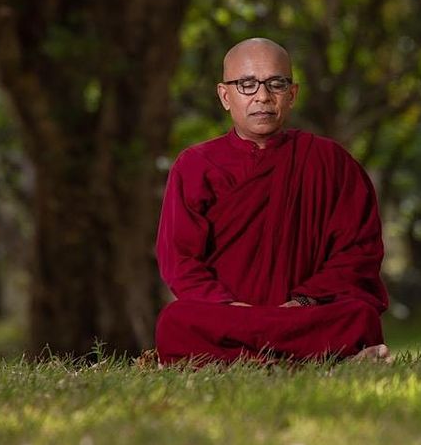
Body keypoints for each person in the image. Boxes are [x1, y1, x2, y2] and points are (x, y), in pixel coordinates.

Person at [154, 37, 391, 364]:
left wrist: (304, 302)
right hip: (230, 316)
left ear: (291, 95)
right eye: (247, 85)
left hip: (303, 315)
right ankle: (321, 358)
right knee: (175, 321)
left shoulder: (330, 161)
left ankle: (248, 358)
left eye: (275, 84)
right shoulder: (195, 165)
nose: (262, 97)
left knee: (358, 315)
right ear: (225, 96)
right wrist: (231, 308)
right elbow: (180, 259)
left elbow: (358, 251)